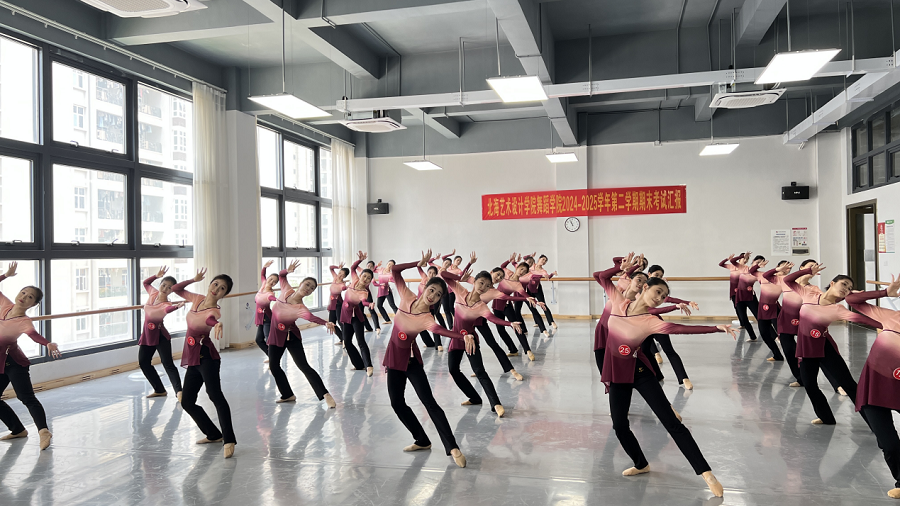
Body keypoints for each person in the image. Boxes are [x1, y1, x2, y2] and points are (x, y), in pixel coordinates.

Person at [598, 254, 734, 498]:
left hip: (640, 372)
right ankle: (641, 463)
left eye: (663, 296)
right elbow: (600, 276)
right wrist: (620, 267)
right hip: (617, 373)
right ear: (645, 287)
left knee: (672, 423)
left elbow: (683, 329)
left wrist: (716, 327)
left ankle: (706, 473)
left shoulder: (651, 321)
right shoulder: (617, 302)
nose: (660, 298)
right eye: (658, 292)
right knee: (619, 425)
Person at [382, 251, 468, 468]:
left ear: (439, 300)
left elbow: (442, 331)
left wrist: (464, 336)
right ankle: (421, 440)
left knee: (429, 403)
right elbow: (395, 271)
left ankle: (453, 447)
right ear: (425, 288)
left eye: (438, 295)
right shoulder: (406, 296)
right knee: (397, 403)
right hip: (394, 359)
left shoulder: (427, 318)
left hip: (411, 362)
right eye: (432, 290)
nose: (433, 295)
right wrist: (417, 263)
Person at [783, 263, 881, 425]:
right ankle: (826, 418)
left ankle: (877, 425)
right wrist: (807, 271)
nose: (846, 289)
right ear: (833, 283)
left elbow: (865, 320)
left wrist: (888, 324)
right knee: (809, 385)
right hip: (806, 348)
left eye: (849, 288)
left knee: (849, 385)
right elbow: (788, 280)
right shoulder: (809, 294)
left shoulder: (838, 309)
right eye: (844, 284)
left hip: (824, 347)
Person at [441, 254, 524, 417]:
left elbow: (493, 319)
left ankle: (496, 403)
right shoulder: (460, 291)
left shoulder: (481, 306)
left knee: (480, 371)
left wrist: (510, 323)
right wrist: (459, 277)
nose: (483, 287)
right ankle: (474, 397)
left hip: (470, 341)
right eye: (481, 283)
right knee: (453, 370)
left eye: (487, 286)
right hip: (456, 339)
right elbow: (444, 274)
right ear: (475, 282)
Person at [173, 268, 237, 458]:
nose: (217, 289)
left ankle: (229, 439)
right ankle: (213, 434)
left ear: (224, 295)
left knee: (215, 395)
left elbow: (210, 320)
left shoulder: (214, 311)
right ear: (210, 284)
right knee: (187, 401)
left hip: (207, 357)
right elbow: (176, 289)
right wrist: (193, 279)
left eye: (222, 288)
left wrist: (217, 324)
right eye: (215, 284)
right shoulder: (197, 299)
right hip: (193, 358)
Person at [845, 279, 900, 499]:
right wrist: (886, 292)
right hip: (875, 390)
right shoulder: (890, 317)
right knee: (890, 445)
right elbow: (851, 299)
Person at [0, 262, 60, 450]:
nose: (24, 297)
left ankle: (44, 431)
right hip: (0, 361)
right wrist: (6, 275)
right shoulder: (5, 305)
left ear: (33, 304)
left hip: (15, 363)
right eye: (23, 292)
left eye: (30, 297)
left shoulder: (24, 321)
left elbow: (34, 335)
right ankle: (18, 429)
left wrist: (47, 343)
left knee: (26, 397)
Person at [266, 261, 337, 407]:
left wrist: (326, 323)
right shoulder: (286, 290)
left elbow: (312, 318)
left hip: (291, 337)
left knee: (303, 366)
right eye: (307, 285)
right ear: (301, 284)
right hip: (276, 335)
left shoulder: (301, 308)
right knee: (274, 366)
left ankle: (325, 394)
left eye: (312, 289)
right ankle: (287, 394)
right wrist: (288, 270)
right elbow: (281, 276)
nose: (308, 289)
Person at [139, 266, 185, 400]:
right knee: (143, 362)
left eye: (169, 288)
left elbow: (167, 310)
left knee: (167, 363)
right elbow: (145, 283)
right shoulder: (153, 293)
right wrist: (156, 276)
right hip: (147, 335)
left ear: (172, 291)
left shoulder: (167, 303)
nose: (165, 289)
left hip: (160, 336)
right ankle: (159, 390)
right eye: (163, 285)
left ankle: (179, 392)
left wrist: (176, 307)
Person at [343, 252, 377, 376]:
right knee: (347, 342)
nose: (366, 279)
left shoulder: (364, 291)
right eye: (365, 276)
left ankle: (369, 365)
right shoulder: (354, 279)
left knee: (361, 341)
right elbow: (352, 268)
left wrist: (369, 304)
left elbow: (363, 301)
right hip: (346, 315)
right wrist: (359, 260)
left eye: (369, 278)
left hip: (356, 317)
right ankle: (358, 365)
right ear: (361, 275)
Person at [254, 260, 278, 358]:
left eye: (274, 282)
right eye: (271, 279)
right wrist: (264, 267)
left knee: (269, 339)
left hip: (267, 318)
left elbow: (273, 299)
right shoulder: (263, 284)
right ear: (268, 278)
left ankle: (273, 359)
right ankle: (271, 356)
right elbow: (262, 275)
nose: (272, 282)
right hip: (260, 318)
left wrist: (280, 301)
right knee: (258, 340)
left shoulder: (270, 294)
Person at [327, 263, 349, 345]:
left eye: (342, 275)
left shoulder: (342, 284)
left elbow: (343, 288)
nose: (340, 275)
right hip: (332, 303)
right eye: (340, 273)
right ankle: (342, 339)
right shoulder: (335, 277)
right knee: (331, 323)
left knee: (341, 322)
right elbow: (331, 268)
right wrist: (338, 267)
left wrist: (347, 287)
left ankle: (346, 339)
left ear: (345, 277)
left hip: (338, 303)